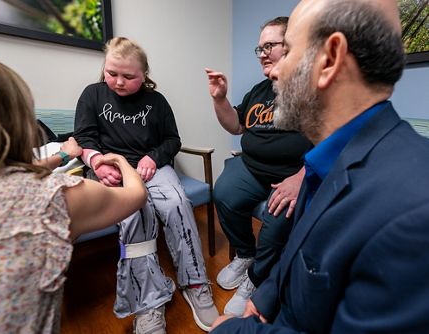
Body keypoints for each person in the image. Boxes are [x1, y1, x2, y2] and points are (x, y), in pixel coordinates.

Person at [211, 0, 429, 332]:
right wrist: (269, 293)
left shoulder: (413, 213)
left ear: (329, 60)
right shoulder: (327, 162)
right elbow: (304, 252)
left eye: (289, 52)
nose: (273, 70)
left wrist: (232, 330)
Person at [0, 42, 147, 333]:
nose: (119, 81)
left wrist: (66, 154)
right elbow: (135, 195)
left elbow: (13, 171)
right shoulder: (51, 197)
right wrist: (114, 160)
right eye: (112, 73)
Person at [73, 36, 219, 333]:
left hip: (152, 167)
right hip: (113, 169)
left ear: (144, 75)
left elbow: (172, 140)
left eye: (129, 76)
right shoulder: (92, 95)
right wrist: (97, 164)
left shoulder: (157, 101)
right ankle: (148, 301)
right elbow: (84, 139)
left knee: (178, 204)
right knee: (134, 215)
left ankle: (194, 282)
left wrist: (154, 158)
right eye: (112, 73)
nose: (118, 82)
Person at [205, 17, 312, 315]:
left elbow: (333, 139)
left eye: (270, 46)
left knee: (277, 219)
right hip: (252, 166)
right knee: (224, 193)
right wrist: (220, 99)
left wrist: (303, 176)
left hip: (293, 173)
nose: (262, 53)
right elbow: (236, 127)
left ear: (291, 47)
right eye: (260, 48)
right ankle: (246, 255)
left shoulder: (311, 89)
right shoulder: (259, 90)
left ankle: (256, 278)